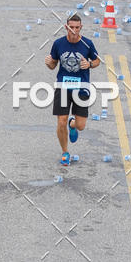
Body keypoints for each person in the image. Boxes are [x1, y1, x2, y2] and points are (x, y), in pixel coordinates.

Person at [45, 14, 101, 166]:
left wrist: (89, 64)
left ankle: (73, 124)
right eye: (71, 27)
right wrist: (49, 63)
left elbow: (97, 60)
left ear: (81, 27)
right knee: (60, 121)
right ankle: (65, 152)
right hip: (63, 87)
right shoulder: (58, 44)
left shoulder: (87, 44)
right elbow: (53, 65)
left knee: (81, 126)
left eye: (77, 27)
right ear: (66, 27)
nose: (74, 30)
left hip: (81, 88)